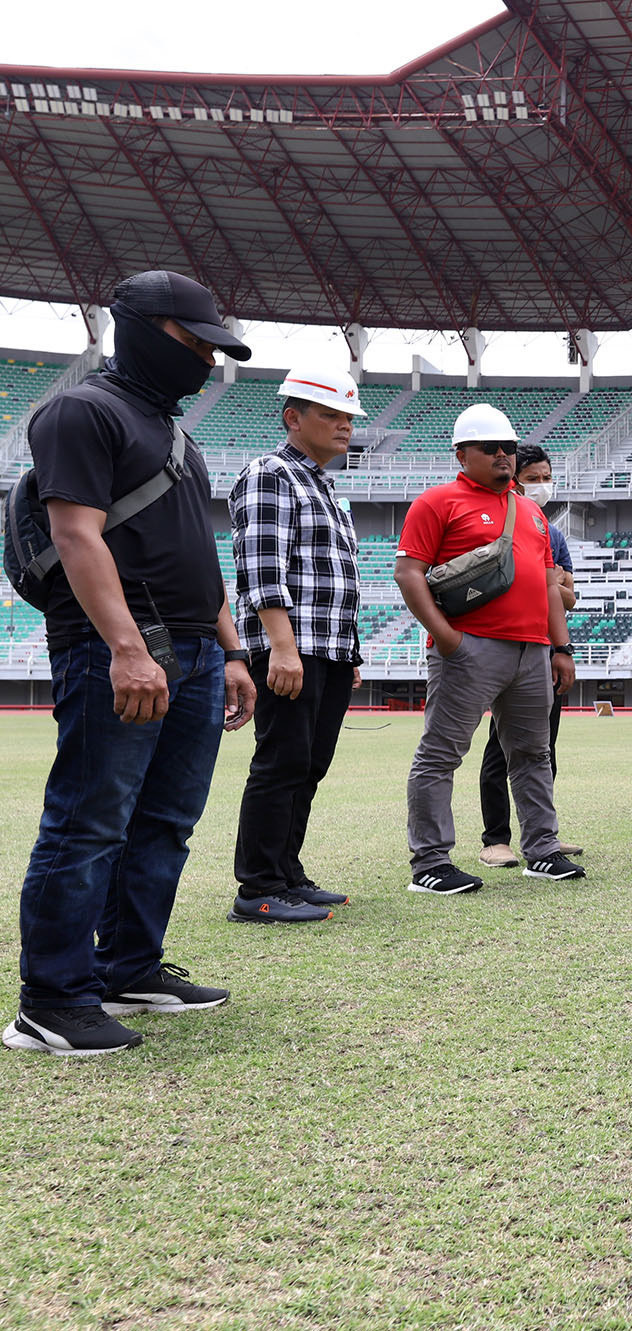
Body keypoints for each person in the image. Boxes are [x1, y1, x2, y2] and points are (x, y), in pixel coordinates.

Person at [6, 270, 257, 1057]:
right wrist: (123, 646)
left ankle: (128, 966)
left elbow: (198, 553)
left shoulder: (179, 433)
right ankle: (51, 998)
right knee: (88, 822)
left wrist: (232, 647)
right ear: (144, 329)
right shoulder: (81, 411)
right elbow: (78, 535)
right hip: (121, 640)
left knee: (166, 822)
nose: (208, 362)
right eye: (196, 343)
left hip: (194, 645)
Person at [393, 403, 582, 895]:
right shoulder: (437, 502)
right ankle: (430, 862)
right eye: (490, 448)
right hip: (470, 648)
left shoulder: (533, 513)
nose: (503, 455)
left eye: (509, 448)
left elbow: (545, 586)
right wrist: (450, 639)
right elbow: (408, 573)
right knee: (441, 754)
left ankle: (542, 848)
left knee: (533, 753)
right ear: (462, 453)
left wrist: (561, 647)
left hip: (532, 650)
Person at [226, 368, 370, 926]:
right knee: (281, 761)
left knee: (309, 764)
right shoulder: (270, 473)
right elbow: (262, 569)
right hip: (292, 647)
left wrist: (348, 654)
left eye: (348, 418)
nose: (344, 427)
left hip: (326, 649)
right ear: (294, 418)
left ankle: (287, 874)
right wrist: (282, 649)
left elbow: (336, 579)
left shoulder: (322, 485)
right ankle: (257, 887)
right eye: (331, 416)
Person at [478, 443, 583, 869]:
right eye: (533, 477)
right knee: (498, 749)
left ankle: (541, 835)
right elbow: (502, 583)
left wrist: (547, 585)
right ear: (514, 477)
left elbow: (569, 597)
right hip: (503, 645)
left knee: (543, 748)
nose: (541, 485)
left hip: (544, 647)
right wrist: (546, 582)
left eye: (546, 476)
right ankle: (495, 838)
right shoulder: (495, 522)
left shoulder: (550, 531)